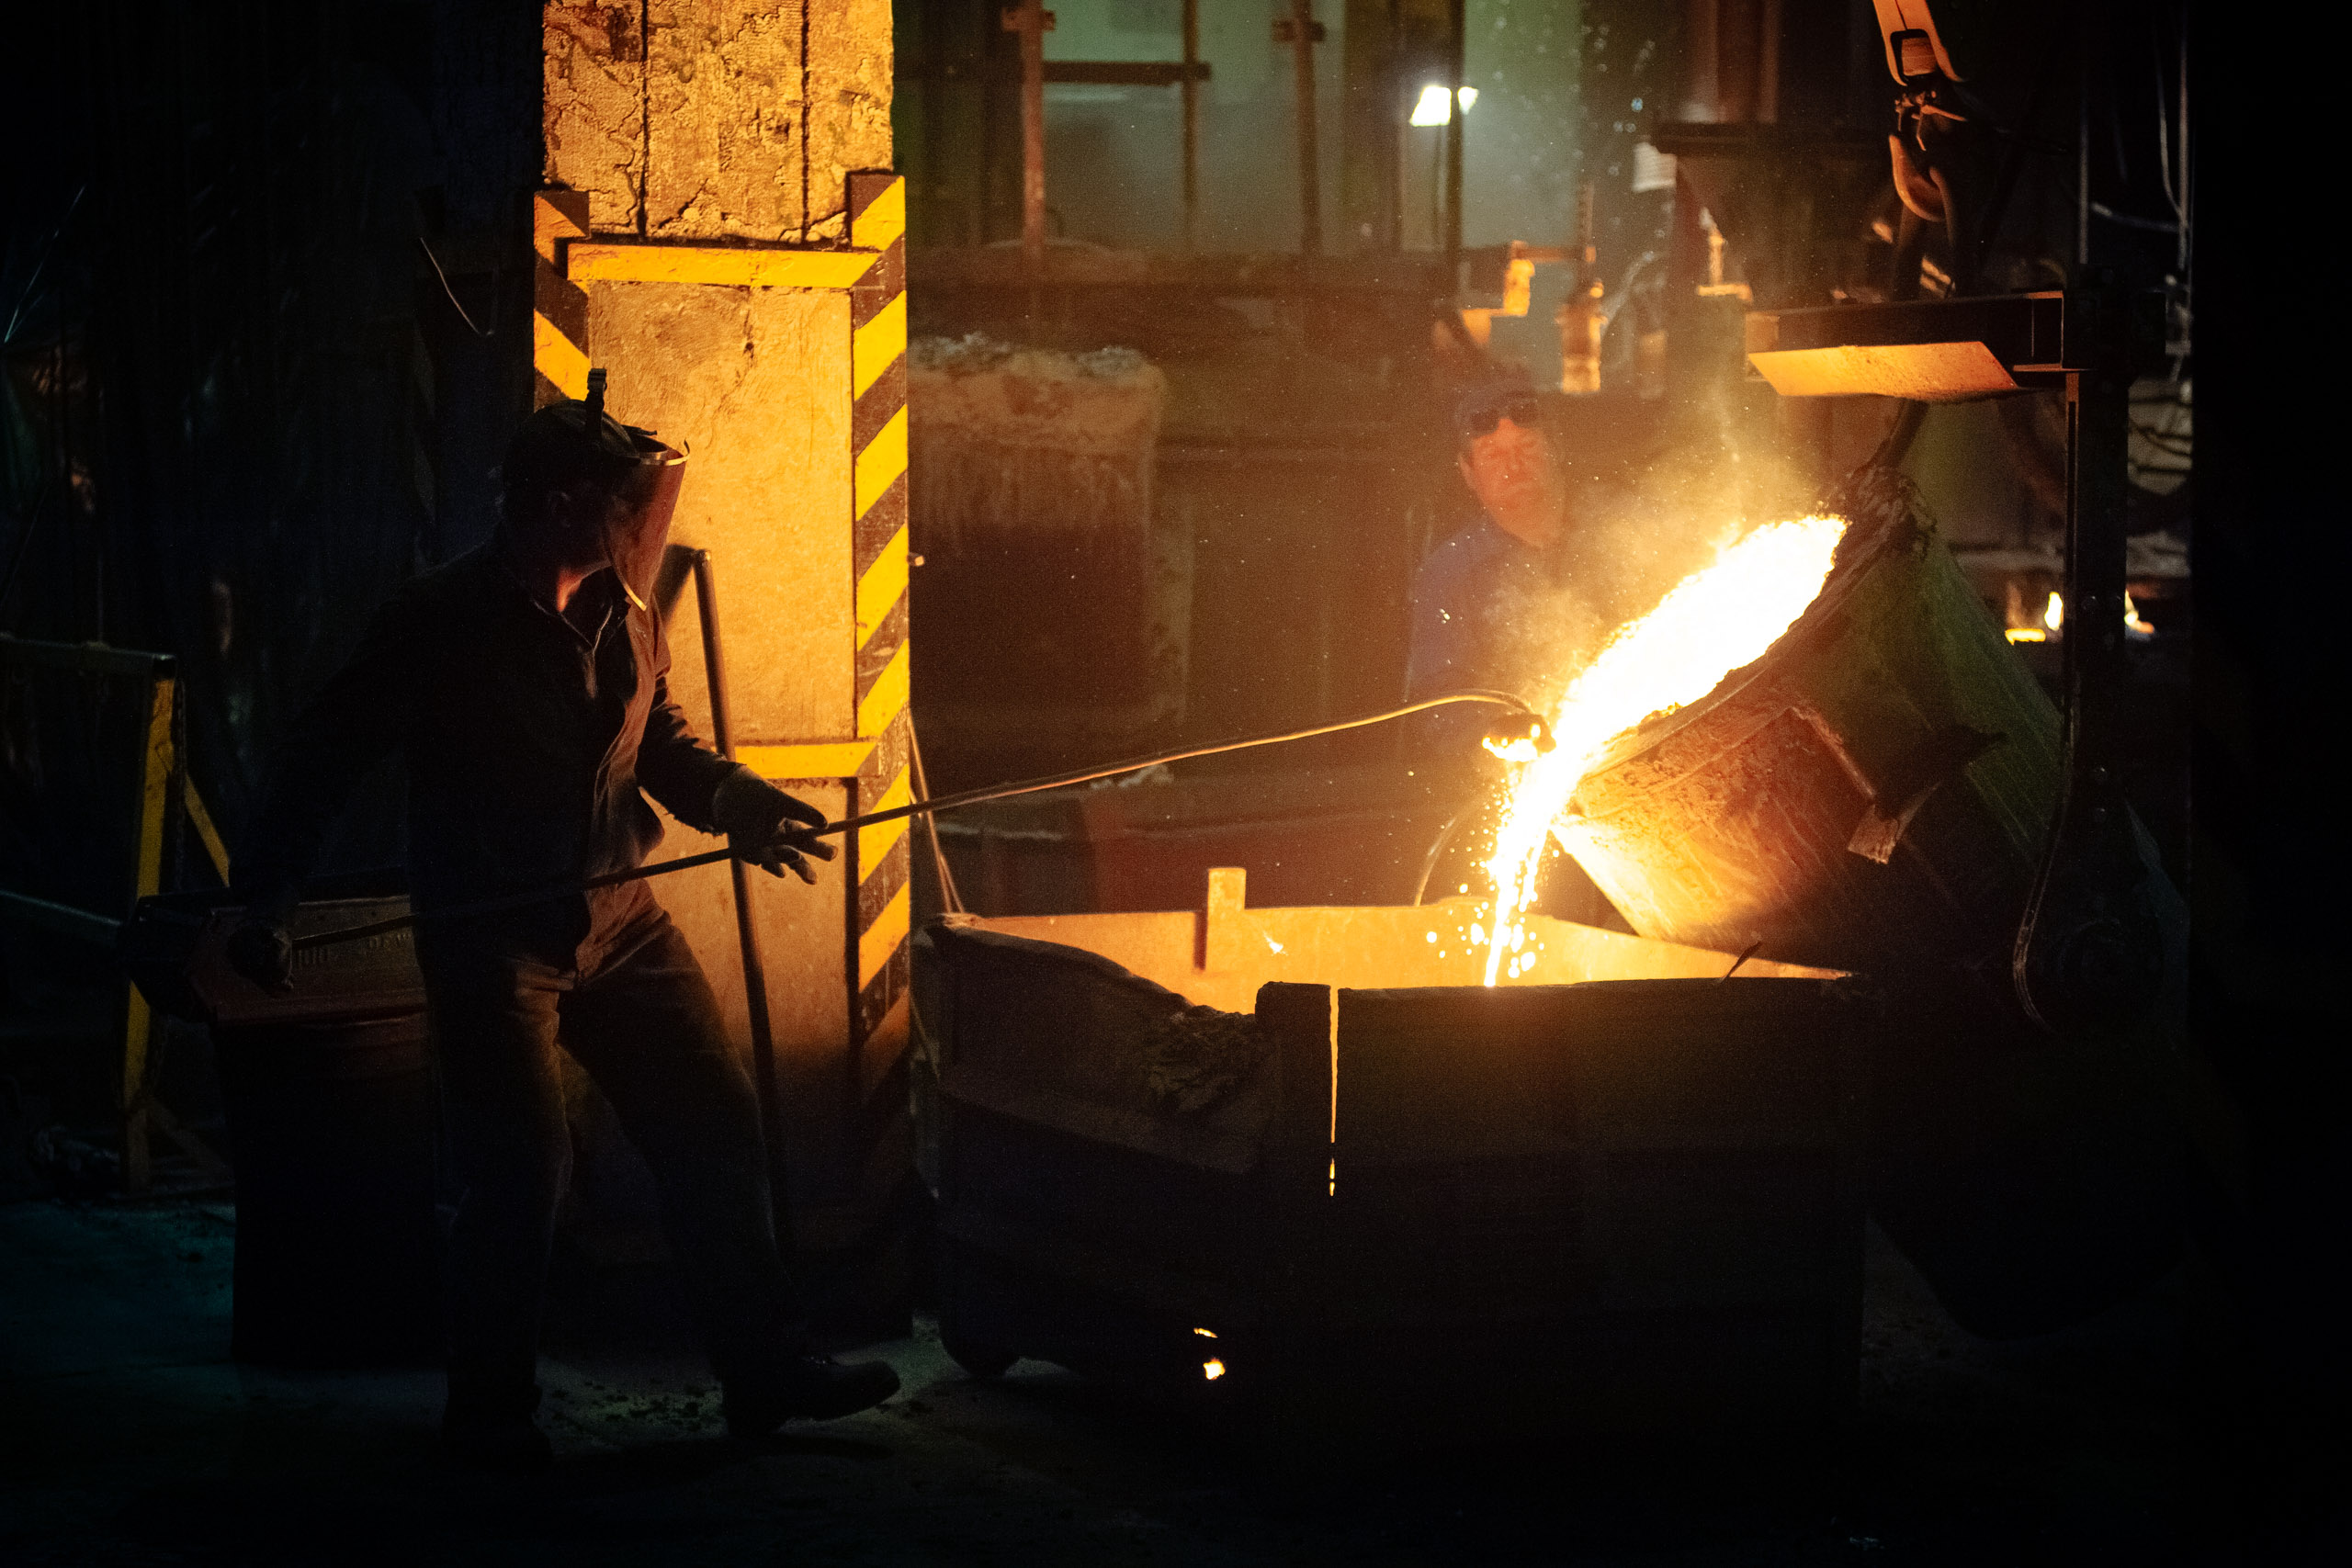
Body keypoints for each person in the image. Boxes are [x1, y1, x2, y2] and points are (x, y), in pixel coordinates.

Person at [224, 389, 900, 1471]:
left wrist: (736, 800)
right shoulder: (439, 621)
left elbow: (658, 740)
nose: (643, 530)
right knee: (520, 1171)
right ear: (560, 506)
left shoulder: (626, 607)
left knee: (713, 1126)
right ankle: (489, 1413)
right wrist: (268, 896)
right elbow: (324, 754)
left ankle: (766, 1370)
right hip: (495, 936)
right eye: (626, 509)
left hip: (622, 921)